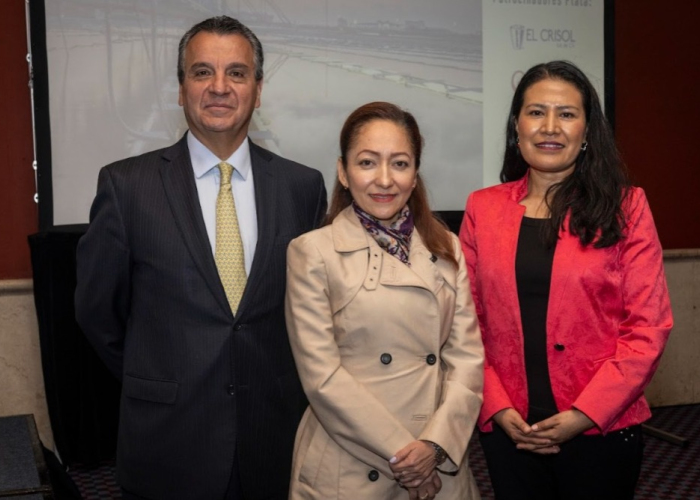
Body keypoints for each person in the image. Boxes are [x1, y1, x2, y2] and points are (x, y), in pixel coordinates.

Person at [75, 16, 327, 500]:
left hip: (274, 437)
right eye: (201, 72)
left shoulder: (301, 187)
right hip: (170, 440)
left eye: (236, 73)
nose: (219, 87)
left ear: (258, 89)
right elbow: (97, 312)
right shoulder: (127, 186)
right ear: (180, 88)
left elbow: (313, 311)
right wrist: (160, 372)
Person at [459, 60, 673, 499]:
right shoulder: (483, 209)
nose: (549, 127)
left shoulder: (627, 207)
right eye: (536, 112)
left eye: (567, 114)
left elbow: (647, 330)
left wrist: (584, 413)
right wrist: (497, 406)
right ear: (516, 126)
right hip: (509, 432)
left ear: (587, 131)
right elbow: (466, 323)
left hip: (600, 431)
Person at [284, 102, 484, 499]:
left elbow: (467, 360)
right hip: (353, 461)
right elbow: (322, 378)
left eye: (399, 163)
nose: (384, 179)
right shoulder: (312, 252)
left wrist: (434, 447)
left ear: (415, 174)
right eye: (367, 162)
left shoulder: (446, 247)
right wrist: (404, 458)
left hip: (438, 459)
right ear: (343, 172)